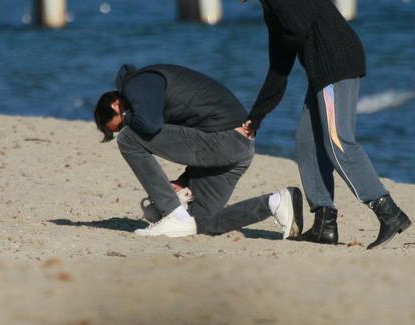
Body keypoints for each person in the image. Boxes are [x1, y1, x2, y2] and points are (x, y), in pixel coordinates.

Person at [218, 0, 411, 249]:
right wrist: (255, 117)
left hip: (335, 64)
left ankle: (389, 212)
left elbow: (296, 29)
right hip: (323, 69)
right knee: (308, 141)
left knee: (338, 142)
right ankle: (324, 222)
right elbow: (278, 69)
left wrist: (285, 41)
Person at [94, 63, 303, 239]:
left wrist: (128, 120)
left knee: (128, 139)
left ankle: (173, 214)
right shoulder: (150, 96)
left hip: (225, 140)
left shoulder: (137, 83)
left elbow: (149, 125)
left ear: (115, 104)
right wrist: (183, 182)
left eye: (119, 122)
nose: (126, 124)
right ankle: (276, 202)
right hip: (237, 147)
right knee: (199, 223)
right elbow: (194, 134)